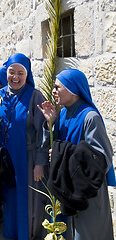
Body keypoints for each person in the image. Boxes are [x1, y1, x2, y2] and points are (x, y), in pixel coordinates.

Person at [38, 68, 115, 240]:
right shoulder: (64, 112)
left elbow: (101, 159)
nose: (53, 91)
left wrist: (62, 155)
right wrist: (50, 123)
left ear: (73, 90)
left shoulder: (90, 117)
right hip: (67, 185)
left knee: (87, 232)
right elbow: (53, 146)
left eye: (58, 87)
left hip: (86, 191)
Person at [0, 53, 49, 240]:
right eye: (11, 72)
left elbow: (43, 132)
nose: (15, 77)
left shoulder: (35, 97)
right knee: (9, 198)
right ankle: (11, 233)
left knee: (27, 200)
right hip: (7, 160)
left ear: (27, 75)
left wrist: (40, 163)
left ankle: (28, 234)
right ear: (6, 72)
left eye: (21, 73)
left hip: (27, 160)